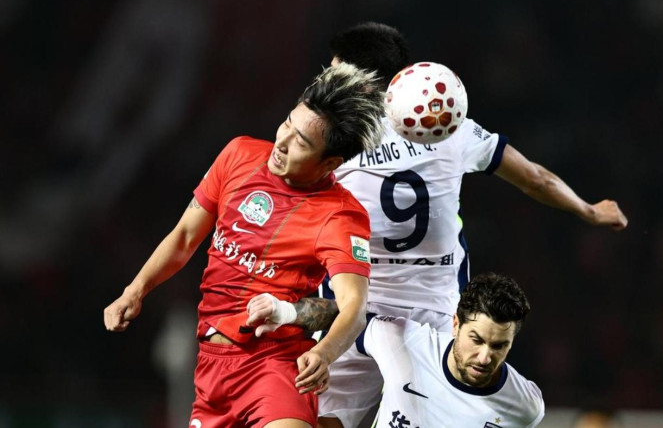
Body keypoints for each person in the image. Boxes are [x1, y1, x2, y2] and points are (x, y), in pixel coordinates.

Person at [318, 22, 628, 428]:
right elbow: (535, 179)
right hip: (437, 315)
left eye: (335, 71)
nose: (326, 80)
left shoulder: (333, 137)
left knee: (326, 421)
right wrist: (588, 210)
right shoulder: (451, 128)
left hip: (354, 306)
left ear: (361, 82)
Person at [103, 62, 385, 428]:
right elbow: (185, 237)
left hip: (274, 364)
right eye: (287, 123)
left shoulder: (340, 215)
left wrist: (324, 354)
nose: (282, 142)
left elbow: (354, 306)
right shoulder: (239, 154)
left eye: (301, 142)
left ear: (329, 163)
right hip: (210, 368)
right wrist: (135, 291)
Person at [249, 273, 544, 428]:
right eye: (476, 340)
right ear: (455, 324)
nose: (485, 357)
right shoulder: (406, 342)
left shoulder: (525, 406)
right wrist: (287, 312)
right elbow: (348, 316)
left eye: (499, 345)